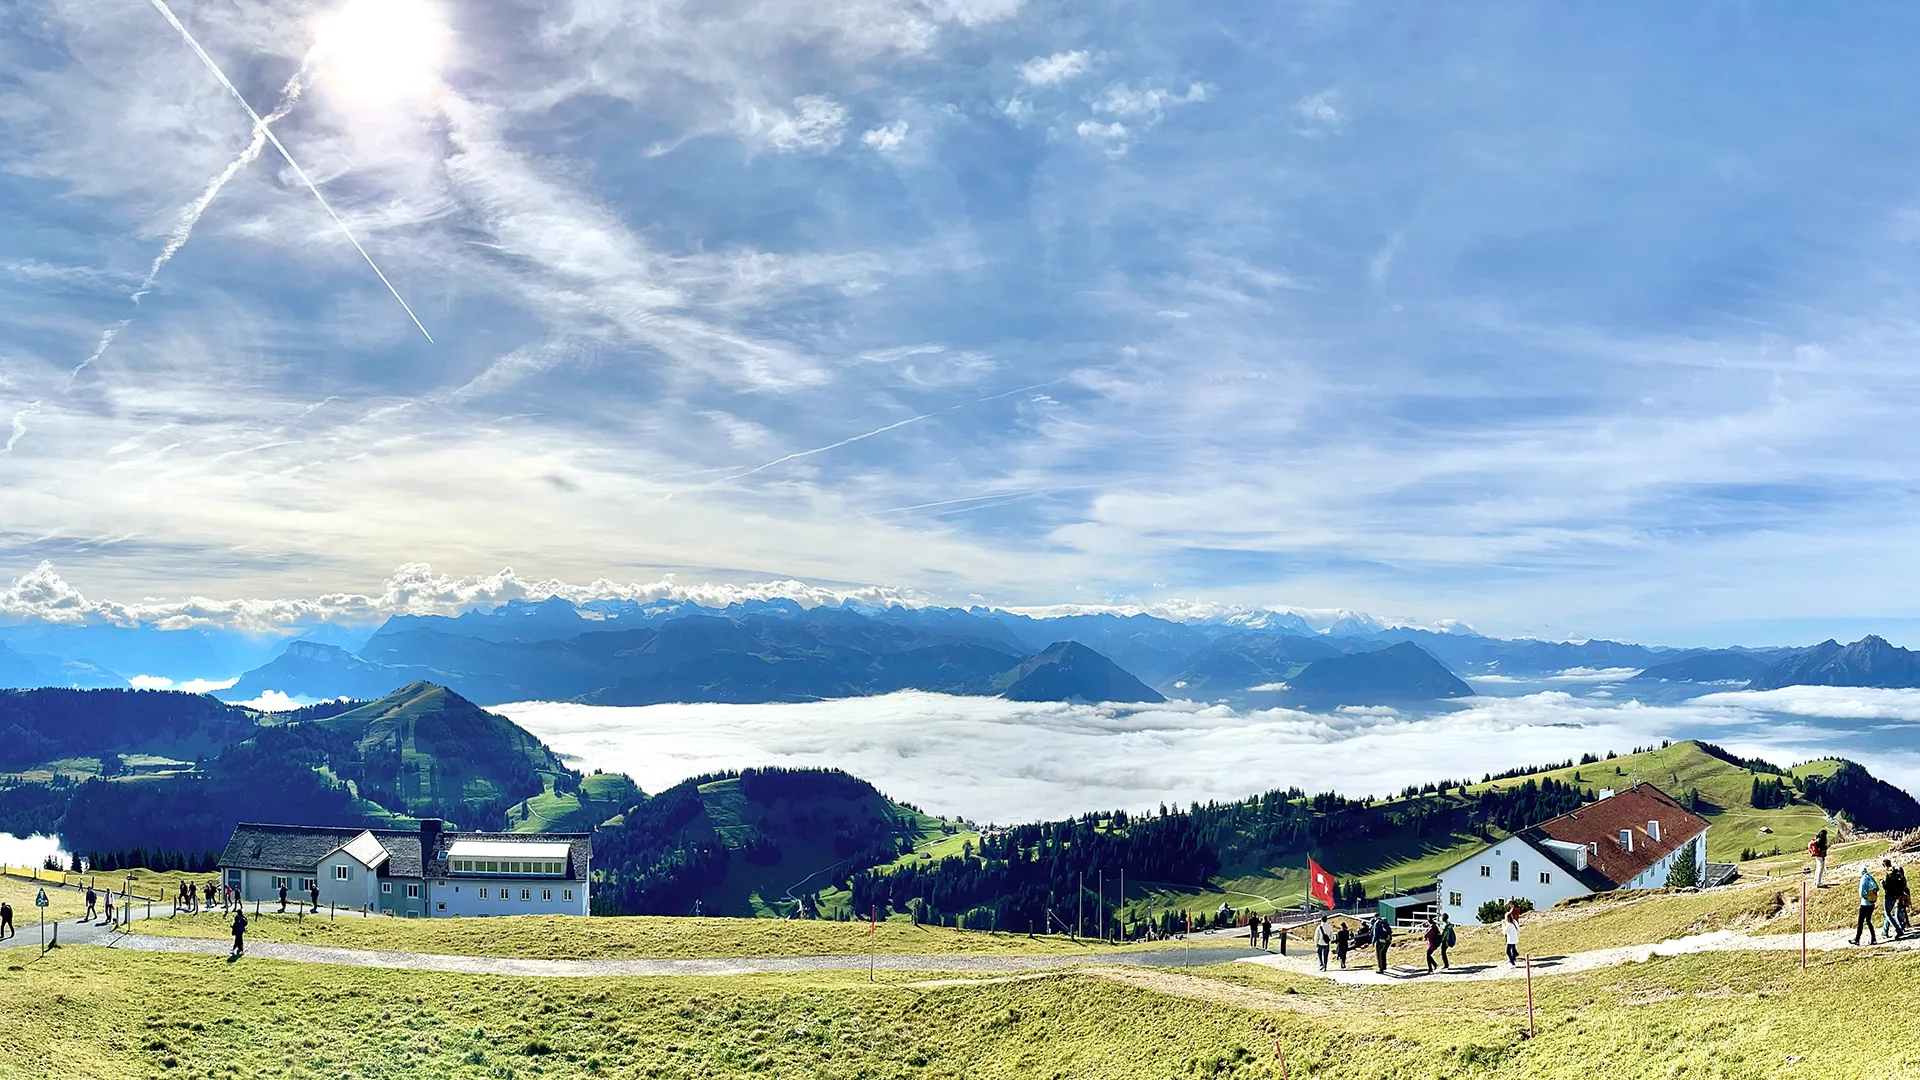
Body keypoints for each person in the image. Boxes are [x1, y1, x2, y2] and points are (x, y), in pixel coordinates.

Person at [1881, 859, 1908, 941]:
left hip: (1890, 896)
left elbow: (1888, 887)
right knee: (1888, 913)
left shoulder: (1889, 873)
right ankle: (1885, 931)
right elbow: (1903, 883)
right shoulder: (1897, 872)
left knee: (1887, 914)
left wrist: (1883, 883)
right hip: (1897, 895)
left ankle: (1898, 930)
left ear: (1885, 866)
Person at [1854, 865, 1880, 946]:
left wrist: (1864, 896)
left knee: (1860, 922)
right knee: (1868, 921)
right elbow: (1877, 888)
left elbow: (1861, 892)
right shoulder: (1870, 877)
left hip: (1865, 903)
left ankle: (1857, 939)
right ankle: (1874, 938)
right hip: (1872, 903)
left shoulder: (1863, 879)